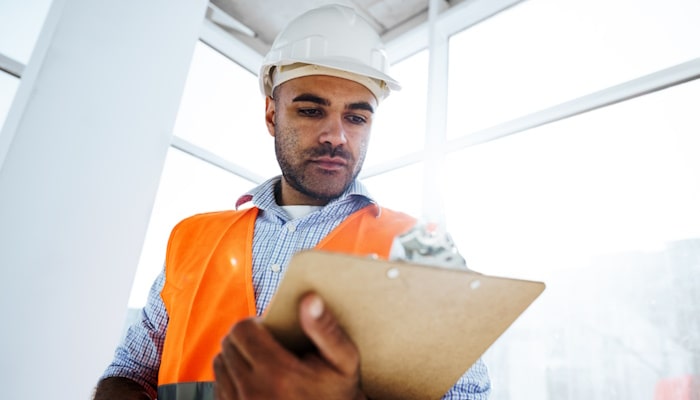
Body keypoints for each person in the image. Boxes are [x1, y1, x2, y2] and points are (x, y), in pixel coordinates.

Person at [93, 4, 491, 400]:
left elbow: (468, 395)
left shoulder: (424, 246)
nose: (336, 136)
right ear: (271, 114)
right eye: (311, 110)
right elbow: (129, 374)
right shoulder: (191, 237)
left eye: (356, 118)